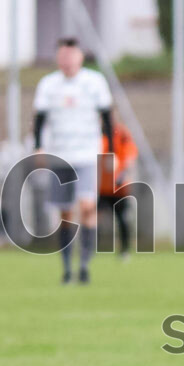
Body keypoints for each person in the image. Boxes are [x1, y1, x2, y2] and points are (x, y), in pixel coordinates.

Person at [32, 37, 113, 284]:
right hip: (60, 156)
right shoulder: (48, 85)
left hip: (87, 154)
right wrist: (38, 147)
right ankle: (67, 267)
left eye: (71, 55)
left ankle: (85, 264)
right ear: (58, 58)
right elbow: (39, 119)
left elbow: (108, 117)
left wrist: (110, 152)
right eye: (63, 56)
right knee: (66, 212)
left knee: (87, 206)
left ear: (80, 57)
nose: (67, 61)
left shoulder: (94, 82)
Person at [98, 112, 138, 259]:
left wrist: (124, 172)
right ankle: (91, 249)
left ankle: (125, 251)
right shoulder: (94, 133)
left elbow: (130, 154)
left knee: (123, 218)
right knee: (93, 217)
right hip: (100, 186)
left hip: (118, 186)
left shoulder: (120, 133)